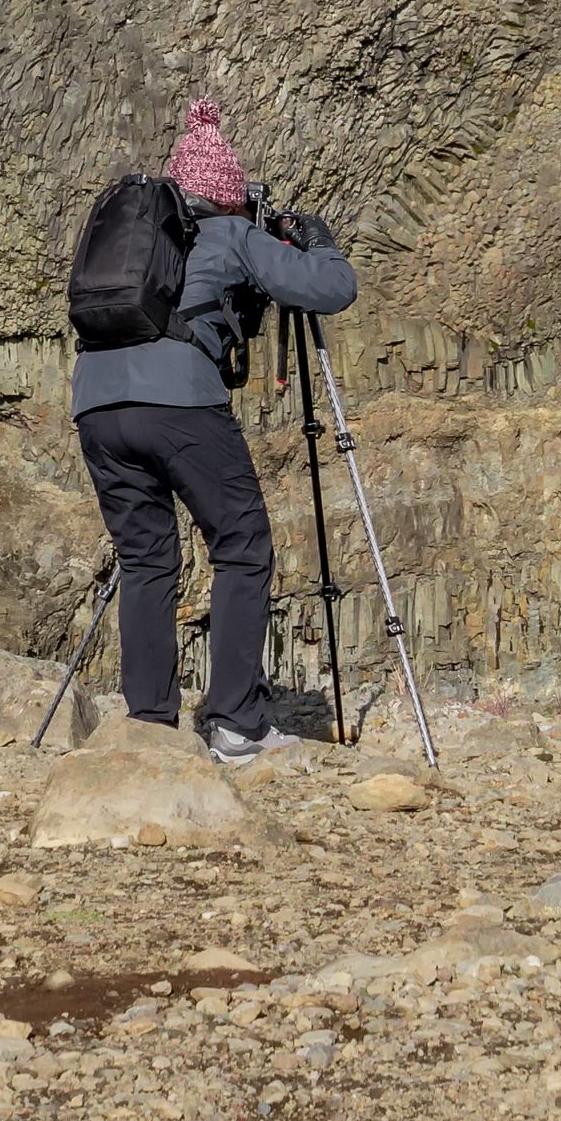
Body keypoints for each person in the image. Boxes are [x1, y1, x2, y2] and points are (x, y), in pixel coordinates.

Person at [72, 99, 356, 759]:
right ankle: (235, 722)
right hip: (178, 404)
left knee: (146, 558)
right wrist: (313, 237)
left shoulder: (136, 243)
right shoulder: (227, 235)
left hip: (95, 406)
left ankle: (147, 728)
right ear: (227, 199)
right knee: (242, 543)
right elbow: (331, 288)